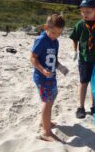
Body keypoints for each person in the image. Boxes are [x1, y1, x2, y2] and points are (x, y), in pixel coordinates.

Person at [30, 14, 68, 142]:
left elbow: (53, 59)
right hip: (42, 77)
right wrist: (42, 70)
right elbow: (33, 58)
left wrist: (61, 67)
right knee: (47, 101)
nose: (55, 35)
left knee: (52, 97)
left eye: (59, 33)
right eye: (53, 32)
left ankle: (44, 122)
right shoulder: (41, 40)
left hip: (51, 77)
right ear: (46, 27)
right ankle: (46, 132)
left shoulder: (55, 42)